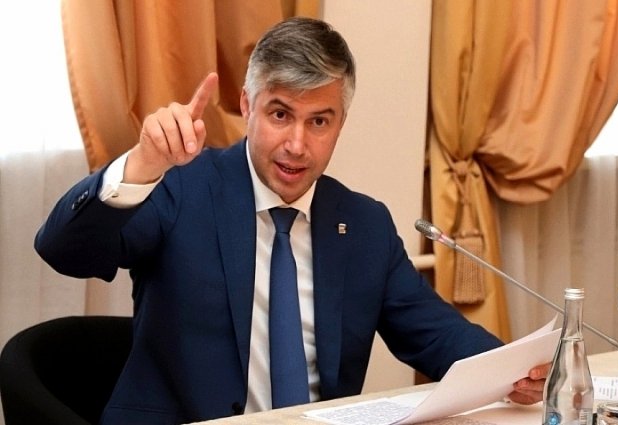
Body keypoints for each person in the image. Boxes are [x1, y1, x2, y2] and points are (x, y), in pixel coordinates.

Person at [35, 17, 548, 425]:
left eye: (319, 121)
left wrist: (514, 371)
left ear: (340, 124)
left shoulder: (364, 224)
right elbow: (64, 251)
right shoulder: (180, 189)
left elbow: (436, 335)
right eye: (280, 115)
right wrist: (140, 165)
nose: (297, 145)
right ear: (247, 106)